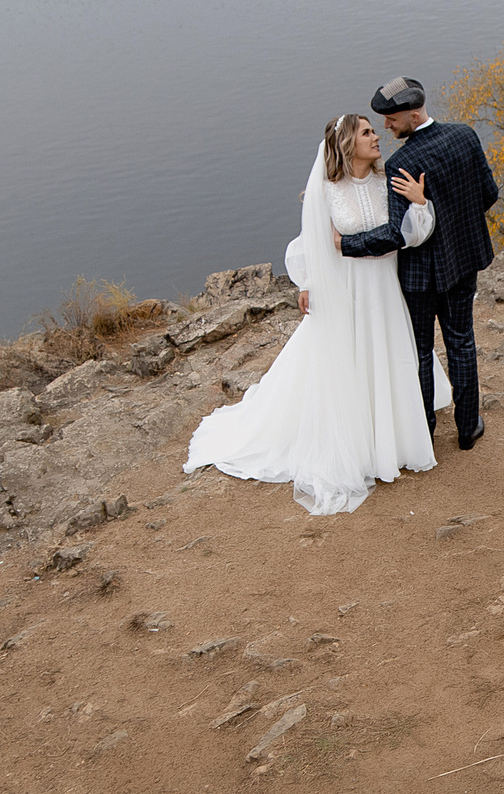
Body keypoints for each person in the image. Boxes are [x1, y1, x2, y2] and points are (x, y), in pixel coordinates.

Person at [181, 113, 446, 515]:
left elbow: (409, 235)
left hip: (384, 288)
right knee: (346, 360)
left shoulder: (386, 182)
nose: (377, 137)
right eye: (367, 132)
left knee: (385, 354)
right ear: (346, 143)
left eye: (376, 130)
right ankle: (356, 444)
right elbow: (309, 241)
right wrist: (306, 282)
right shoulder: (326, 190)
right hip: (346, 290)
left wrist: (420, 203)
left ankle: (393, 438)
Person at [340, 76, 501, 451]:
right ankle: (467, 427)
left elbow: (397, 234)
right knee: (462, 343)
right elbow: (489, 194)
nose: (386, 126)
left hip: (420, 277)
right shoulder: (466, 135)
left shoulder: (402, 163)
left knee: (420, 352)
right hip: (464, 261)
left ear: (413, 115)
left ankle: (423, 432)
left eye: (392, 119)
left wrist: (346, 244)